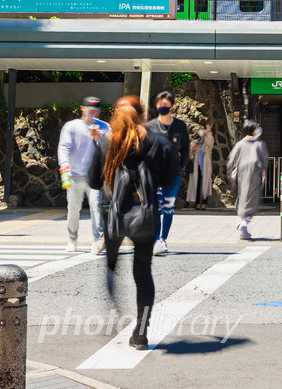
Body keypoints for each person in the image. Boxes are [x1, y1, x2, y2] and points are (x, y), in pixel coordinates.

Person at [88, 96, 179, 350]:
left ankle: (114, 312)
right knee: (142, 273)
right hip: (146, 217)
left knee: (111, 265)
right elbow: (171, 173)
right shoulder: (155, 142)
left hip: (113, 215)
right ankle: (140, 333)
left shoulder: (107, 142)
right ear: (142, 115)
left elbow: (94, 182)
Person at [59, 96, 110, 254]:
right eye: (90, 110)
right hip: (74, 174)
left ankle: (97, 241)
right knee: (73, 209)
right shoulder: (72, 126)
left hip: (95, 175)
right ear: (82, 108)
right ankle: (72, 240)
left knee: (96, 207)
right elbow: (64, 146)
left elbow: (112, 147)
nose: (93, 114)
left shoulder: (105, 127)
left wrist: (100, 137)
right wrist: (64, 163)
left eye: (96, 111)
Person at [145, 90, 189, 256]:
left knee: (168, 208)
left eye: (165, 105)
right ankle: (155, 239)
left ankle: (163, 239)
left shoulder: (180, 126)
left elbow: (185, 150)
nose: (162, 107)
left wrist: (180, 166)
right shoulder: (149, 127)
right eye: (159, 104)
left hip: (172, 175)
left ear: (172, 106)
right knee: (156, 208)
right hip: (154, 175)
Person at [227, 120, 267, 240]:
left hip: (241, 173)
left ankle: (241, 225)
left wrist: (231, 173)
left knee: (242, 197)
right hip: (255, 172)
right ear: (252, 129)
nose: (259, 129)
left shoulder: (240, 144)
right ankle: (244, 224)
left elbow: (231, 160)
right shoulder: (259, 144)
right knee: (252, 198)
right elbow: (264, 160)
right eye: (257, 127)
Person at [186, 118, 214, 210]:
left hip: (205, 166)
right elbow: (190, 155)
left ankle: (204, 203)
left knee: (205, 184)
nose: (201, 131)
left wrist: (209, 130)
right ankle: (197, 203)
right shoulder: (195, 142)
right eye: (200, 129)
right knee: (197, 185)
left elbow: (210, 141)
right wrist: (193, 150)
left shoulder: (207, 143)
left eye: (203, 129)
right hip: (196, 166)